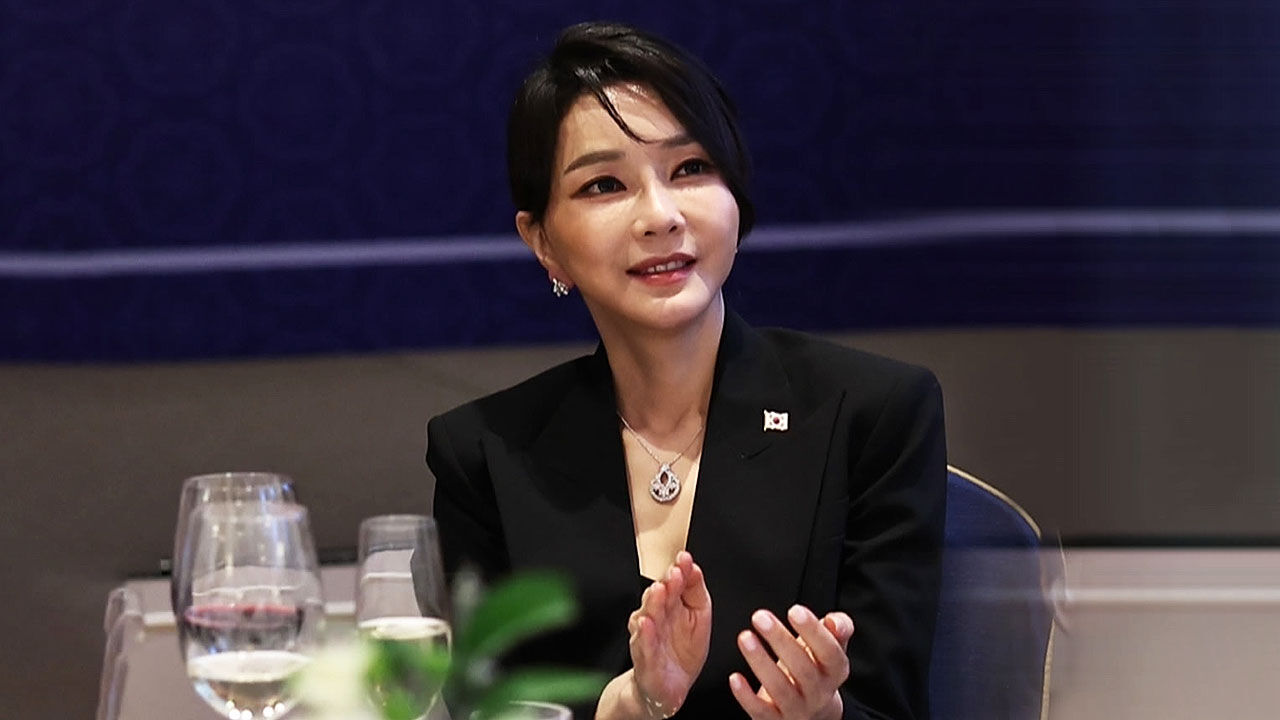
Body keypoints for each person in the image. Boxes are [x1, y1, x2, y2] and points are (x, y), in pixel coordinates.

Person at [426, 21, 946, 720]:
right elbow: (486, 709)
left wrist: (825, 714)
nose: (661, 215)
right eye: (604, 184)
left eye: (691, 169)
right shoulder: (484, 453)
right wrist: (629, 704)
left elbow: (892, 702)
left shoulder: (873, 414)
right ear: (542, 241)